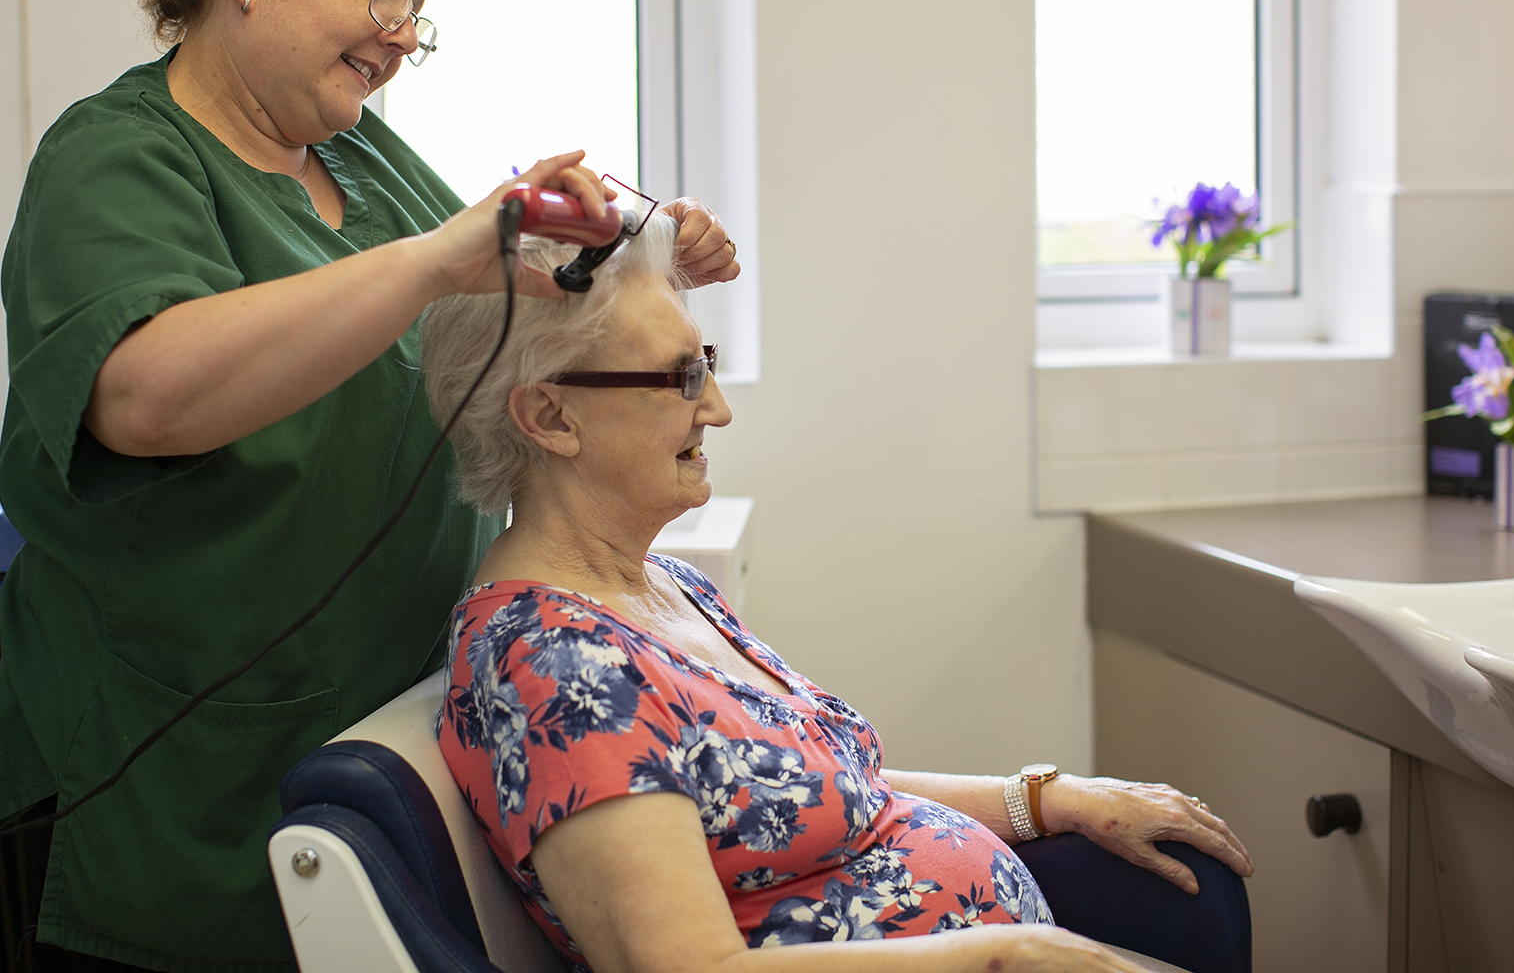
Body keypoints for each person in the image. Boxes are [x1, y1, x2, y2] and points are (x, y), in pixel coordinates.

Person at [0, 0, 737, 973]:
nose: (398, 36)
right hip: (193, 774)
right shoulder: (119, 158)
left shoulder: (360, 158)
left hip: (390, 736)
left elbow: (497, 302)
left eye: (413, 14)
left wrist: (634, 249)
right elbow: (143, 398)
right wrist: (439, 257)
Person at [423, 220, 1255, 973]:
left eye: (704, 365)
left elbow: (816, 793)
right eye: (681, 378)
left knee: (1194, 880)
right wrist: (1006, 955)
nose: (717, 407)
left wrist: (1044, 799)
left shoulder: (662, 587)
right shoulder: (557, 668)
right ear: (550, 417)